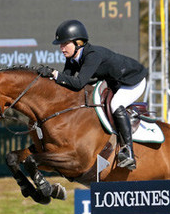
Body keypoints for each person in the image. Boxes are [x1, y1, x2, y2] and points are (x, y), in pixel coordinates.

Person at [36, 19, 148, 170]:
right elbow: (66, 82)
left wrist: (55, 73)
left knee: (116, 104)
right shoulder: (73, 58)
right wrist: (48, 78)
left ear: (78, 43)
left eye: (64, 44)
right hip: (113, 81)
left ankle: (128, 152)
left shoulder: (92, 55)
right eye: (60, 45)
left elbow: (78, 82)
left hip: (133, 81)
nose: (62, 48)